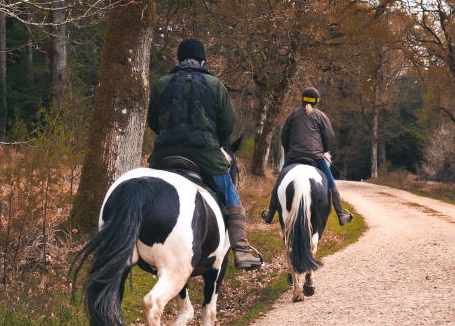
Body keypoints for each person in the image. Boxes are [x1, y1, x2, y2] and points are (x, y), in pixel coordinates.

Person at [147, 38, 262, 271]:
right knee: (230, 194)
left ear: (178, 59)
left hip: (164, 154)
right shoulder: (215, 84)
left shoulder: (162, 83)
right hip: (205, 154)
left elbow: (153, 121)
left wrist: (170, 135)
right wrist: (214, 142)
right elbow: (227, 125)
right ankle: (241, 249)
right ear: (202, 60)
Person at [261, 87, 353, 226]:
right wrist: (323, 150)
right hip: (316, 158)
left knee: (279, 183)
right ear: (317, 101)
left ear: (302, 99)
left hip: (294, 156)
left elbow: (284, 137)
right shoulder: (321, 116)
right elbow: (330, 138)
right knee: (331, 184)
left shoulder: (293, 115)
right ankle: (341, 215)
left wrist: (291, 150)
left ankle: (269, 214)